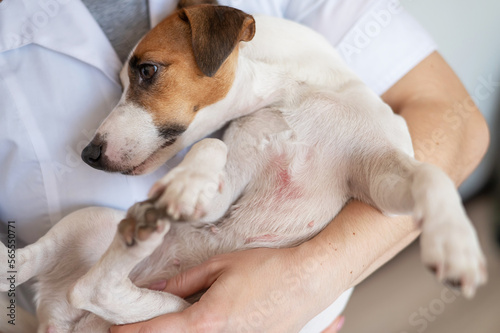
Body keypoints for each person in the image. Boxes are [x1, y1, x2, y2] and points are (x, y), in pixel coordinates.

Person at [0, 0, 489, 332]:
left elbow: (453, 123)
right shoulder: (247, 125)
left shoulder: (344, 111)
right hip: (76, 305)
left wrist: (302, 282)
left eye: (146, 76)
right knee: (85, 236)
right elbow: (209, 204)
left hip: (226, 312)